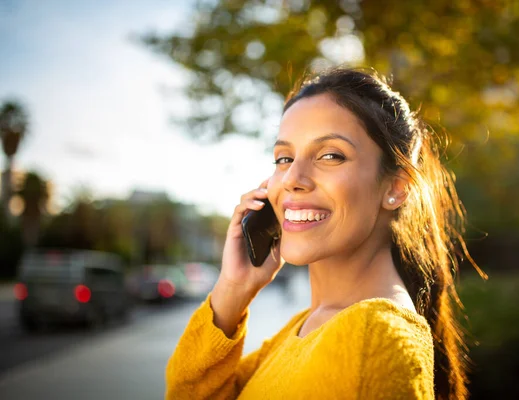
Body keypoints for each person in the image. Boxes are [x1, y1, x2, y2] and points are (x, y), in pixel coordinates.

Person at [165, 68, 482, 399]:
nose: (292, 178)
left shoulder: (375, 336)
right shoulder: (306, 327)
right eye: (284, 158)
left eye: (331, 155)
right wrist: (233, 290)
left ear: (396, 188)